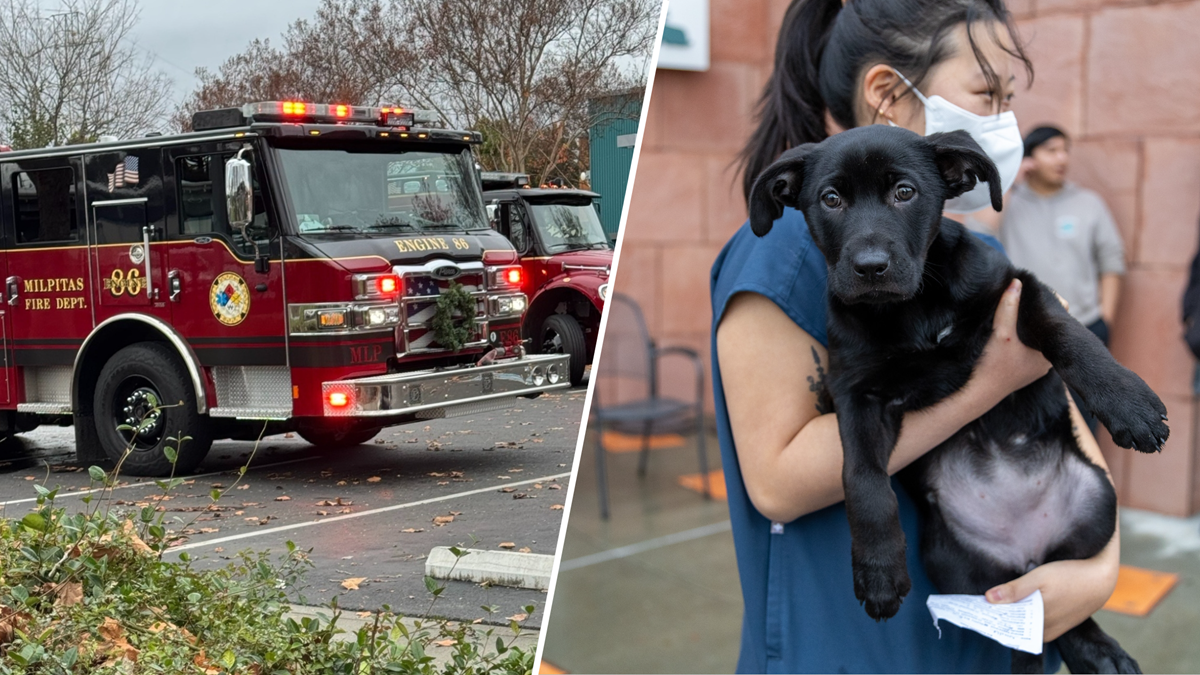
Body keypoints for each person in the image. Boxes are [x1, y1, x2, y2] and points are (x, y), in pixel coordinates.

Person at [711, 0, 1121, 672]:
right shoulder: (787, 250)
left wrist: (1099, 572)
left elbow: (1064, 436)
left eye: (1009, 99)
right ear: (886, 96)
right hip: (861, 648)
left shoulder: (954, 245)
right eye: (985, 94)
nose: (1002, 121)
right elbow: (778, 480)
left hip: (986, 630)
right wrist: (992, 375)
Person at [998, 126, 1125, 431]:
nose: (1062, 158)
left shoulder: (1088, 203)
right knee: (1025, 432)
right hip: (1025, 336)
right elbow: (980, 234)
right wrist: (1009, 182)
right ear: (1030, 157)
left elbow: (1112, 261)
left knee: (1084, 428)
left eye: (1066, 150)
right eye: (1051, 150)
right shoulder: (1008, 204)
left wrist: (1104, 318)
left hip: (1082, 332)